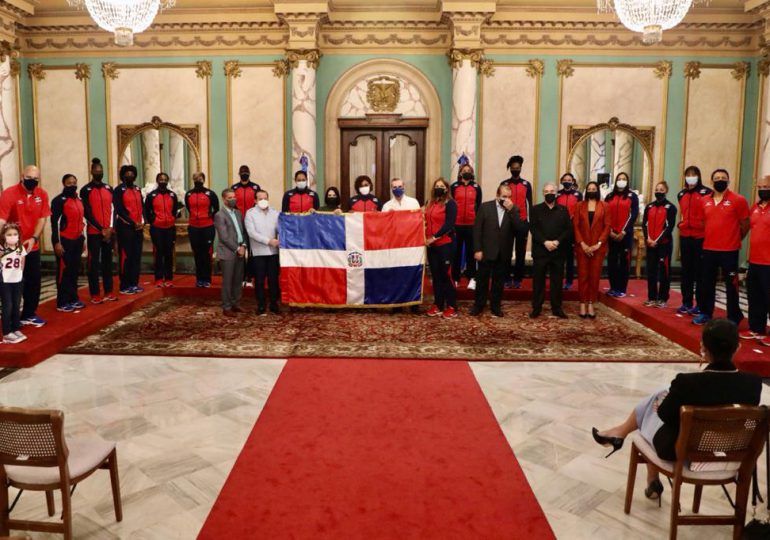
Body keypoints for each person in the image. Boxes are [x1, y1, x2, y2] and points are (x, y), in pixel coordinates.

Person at [592, 319, 762, 502]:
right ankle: (624, 439)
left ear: (703, 347)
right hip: (730, 452)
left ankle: (637, 457)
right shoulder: (753, 383)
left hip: (681, 451)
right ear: (737, 347)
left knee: (655, 406)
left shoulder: (687, 382)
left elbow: (665, 415)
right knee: (663, 393)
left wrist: (660, 407)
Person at [695, 169, 750, 326]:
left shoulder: (738, 200)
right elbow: (703, 222)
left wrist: (735, 237)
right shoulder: (704, 200)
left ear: (728, 181)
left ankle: (734, 316)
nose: (720, 180)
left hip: (729, 250)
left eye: (723, 178)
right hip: (709, 249)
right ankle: (706, 313)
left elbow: (745, 224)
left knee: (731, 285)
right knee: (707, 283)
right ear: (712, 182)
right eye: (717, 178)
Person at [0, 165, 50, 327]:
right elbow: (1, 220)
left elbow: (42, 218)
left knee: (33, 281)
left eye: (36, 179)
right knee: (13, 284)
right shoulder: (9, 194)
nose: (32, 182)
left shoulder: (41, 194)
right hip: (12, 248)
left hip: (31, 246)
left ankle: (28, 314)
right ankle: (11, 320)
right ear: (22, 177)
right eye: (29, 178)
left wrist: (34, 238)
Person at [470, 185, 520, 317]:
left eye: (509, 197)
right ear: (497, 195)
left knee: (499, 282)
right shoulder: (485, 207)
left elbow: (520, 229)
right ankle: (479, 305)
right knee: (482, 281)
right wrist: (477, 249)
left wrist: (512, 211)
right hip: (485, 251)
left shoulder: (514, 210)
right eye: (504, 196)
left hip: (503, 252)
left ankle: (495, 306)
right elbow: (477, 230)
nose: (507, 199)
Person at [530, 183, 572, 319]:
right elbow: (533, 229)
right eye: (546, 191)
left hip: (558, 252)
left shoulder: (563, 210)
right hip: (541, 251)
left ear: (556, 193)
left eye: (552, 191)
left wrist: (557, 241)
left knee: (557, 281)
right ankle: (536, 307)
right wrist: (545, 242)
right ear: (543, 193)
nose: (549, 193)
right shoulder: (535, 209)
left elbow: (568, 229)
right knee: (538, 281)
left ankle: (557, 308)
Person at [676, 165, 711, 315]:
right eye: (688, 174)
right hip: (685, 237)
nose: (690, 176)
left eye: (693, 174)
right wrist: (681, 224)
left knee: (700, 273)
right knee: (686, 272)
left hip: (700, 237)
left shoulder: (706, 193)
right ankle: (686, 302)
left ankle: (700, 304)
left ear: (698, 176)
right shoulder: (681, 194)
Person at [573, 181, 611, 319]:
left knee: (594, 277)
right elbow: (575, 225)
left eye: (594, 189)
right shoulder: (579, 206)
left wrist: (599, 243)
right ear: (585, 191)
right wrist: (582, 244)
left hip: (598, 248)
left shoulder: (605, 206)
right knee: (583, 276)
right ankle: (582, 303)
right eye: (589, 188)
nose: (591, 190)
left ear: (597, 190)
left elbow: (607, 226)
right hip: (582, 247)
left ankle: (591, 303)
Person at [81, 158, 116, 304]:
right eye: (96, 170)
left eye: (100, 170)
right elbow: (86, 213)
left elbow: (114, 209)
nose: (98, 172)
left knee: (108, 263)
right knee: (93, 263)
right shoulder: (85, 190)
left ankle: (108, 291)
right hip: (94, 232)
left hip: (108, 232)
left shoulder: (109, 188)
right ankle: (95, 293)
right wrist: (101, 229)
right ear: (91, 171)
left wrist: (110, 228)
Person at [741, 176, 770, 346]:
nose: (763, 189)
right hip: (755, 260)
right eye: (760, 186)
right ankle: (757, 328)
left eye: (766, 186)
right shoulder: (755, 207)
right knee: (755, 296)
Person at [50, 174, 85, 312]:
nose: (72, 185)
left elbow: (82, 221)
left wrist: (83, 239)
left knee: (74, 271)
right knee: (64, 271)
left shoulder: (79, 200)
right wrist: (56, 243)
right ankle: (62, 302)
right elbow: (55, 224)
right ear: (64, 184)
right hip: (64, 241)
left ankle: (73, 298)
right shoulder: (58, 201)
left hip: (78, 240)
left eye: (74, 182)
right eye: (69, 183)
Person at [425, 178, 458, 319]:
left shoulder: (451, 203)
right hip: (431, 247)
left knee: (446, 276)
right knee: (436, 276)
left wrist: (434, 237)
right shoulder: (430, 203)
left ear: (446, 189)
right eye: (436, 185)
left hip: (445, 244)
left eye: (441, 186)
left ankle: (452, 306)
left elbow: (449, 224)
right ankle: (438, 304)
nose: (439, 188)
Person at [642, 182, 677, 308]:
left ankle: (662, 299)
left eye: (661, 189)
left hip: (664, 244)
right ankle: (652, 298)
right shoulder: (649, 206)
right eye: (657, 189)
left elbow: (669, 227)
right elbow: (644, 224)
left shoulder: (671, 207)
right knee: (651, 271)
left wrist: (657, 240)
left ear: (666, 190)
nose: (658, 191)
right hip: (650, 243)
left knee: (664, 272)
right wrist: (648, 239)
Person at [245, 190, 280, 315]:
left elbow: (281, 228)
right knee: (259, 280)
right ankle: (261, 305)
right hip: (259, 252)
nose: (263, 201)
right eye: (260, 199)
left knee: (273, 280)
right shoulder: (250, 214)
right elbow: (252, 233)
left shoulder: (275, 212)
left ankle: (274, 304)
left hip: (273, 252)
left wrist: (279, 239)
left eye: (265, 198)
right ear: (255, 200)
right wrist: (268, 241)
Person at [499, 155, 532, 289]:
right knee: (506, 252)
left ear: (521, 168)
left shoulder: (526, 184)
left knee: (520, 252)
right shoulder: (505, 184)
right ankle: (506, 277)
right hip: (507, 222)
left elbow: (530, 203)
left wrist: (529, 222)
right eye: (513, 168)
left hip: (522, 222)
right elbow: (500, 203)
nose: (515, 170)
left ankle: (518, 278)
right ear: (510, 169)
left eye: (517, 168)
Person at [144, 172, 181, 287]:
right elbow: (146, 211)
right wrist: (153, 220)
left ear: (167, 181)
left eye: (165, 179)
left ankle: (169, 278)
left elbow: (175, 210)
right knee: (159, 253)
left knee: (168, 253)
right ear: (157, 180)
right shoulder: (151, 196)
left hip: (169, 228)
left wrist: (171, 218)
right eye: (161, 179)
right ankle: (159, 278)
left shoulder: (172, 195)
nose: (163, 181)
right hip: (157, 228)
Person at [604, 172, 639, 297]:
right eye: (619, 179)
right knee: (612, 261)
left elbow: (633, 215)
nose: (621, 181)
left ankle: (622, 289)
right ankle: (613, 287)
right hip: (611, 234)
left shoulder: (632, 196)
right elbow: (605, 214)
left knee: (624, 262)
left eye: (624, 179)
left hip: (626, 234)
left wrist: (624, 231)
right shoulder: (609, 196)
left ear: (627, 181)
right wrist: (610, 231)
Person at [215, 189, 248, 317]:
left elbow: (243, 231)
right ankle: (227, 307)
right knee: (228, 281)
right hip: (228, 252)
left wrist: (243, 245)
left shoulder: (238, 213)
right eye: (230, 197)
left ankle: (236, 304)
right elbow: (224, 237)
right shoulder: (220, 215)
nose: (233, 199)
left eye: (234, 197)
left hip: (240, 249)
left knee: (238, 279)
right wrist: (236, 248)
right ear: (224, 199)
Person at [113, 165, 144, 295]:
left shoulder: (137, 189)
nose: (130, 176)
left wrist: (142, 222)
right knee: (126, 256)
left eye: (132, 174)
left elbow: (142, 207)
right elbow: (119, 209)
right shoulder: (119, 190)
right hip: (125, 227)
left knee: (136, 256)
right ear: (123, 175)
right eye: (127, 174)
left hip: (138, 228)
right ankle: (124, 285)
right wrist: (132, 222)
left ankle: (134, 283)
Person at [450, 163, 482, 290]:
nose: (467, 172)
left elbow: (478, 206)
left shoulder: (476, 187)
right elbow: (451, 205)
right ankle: (455, 278)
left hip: (471, 225)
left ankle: (472, 278)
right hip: (456, 225)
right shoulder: (454, 186)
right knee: (456, 253)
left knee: (471, 253)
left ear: (472, 173)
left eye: (469, 170)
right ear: (460, 172)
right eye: (464, 170)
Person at [185, 172, 219, 288]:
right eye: (195, 178)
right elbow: (189, 209)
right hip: (194, 228)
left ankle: (207, 279)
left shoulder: (210, 193)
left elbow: (216, 209)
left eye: (200, 178)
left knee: (206, 254)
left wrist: (208, 216)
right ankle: (199, 279)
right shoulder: (189, 194)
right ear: (193, 180)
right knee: (197, 254)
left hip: (207, 227)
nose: (198, 180)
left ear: (203, 179)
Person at [232, 164, 260, 286]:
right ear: (239, 174)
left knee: (252, 251)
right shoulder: (234, 188)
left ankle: (250, 277)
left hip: (252, 224)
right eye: (242, 172)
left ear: (249, 173)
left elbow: (260, 204)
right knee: (240, 252)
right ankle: (241, 277)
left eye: (246, 172)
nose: (244, 174)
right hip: (238, 224)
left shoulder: (255, 187)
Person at [1, 223, 27, 344]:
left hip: (17, 279)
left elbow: (22, 262)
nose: (12, 236)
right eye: (9, 234)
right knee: (8, 305)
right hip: (5, 280)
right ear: (4, 236)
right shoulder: (1, 249)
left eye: (15, 234)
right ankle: (6, 333)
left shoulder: (21, 248)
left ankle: (15, 328)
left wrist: (20, 275)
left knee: (17, 304)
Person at [556, 173, 582, 290]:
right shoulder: (558, 195)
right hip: (559, 229)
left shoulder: (578, 195)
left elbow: (581, 210)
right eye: (565, 180)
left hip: (572, 229)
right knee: (559, 257)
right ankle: (558, 279)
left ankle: (569, 281)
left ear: (573, 181)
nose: (567, 181)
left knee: (570, 257)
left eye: (569, 180)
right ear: (562, 181)